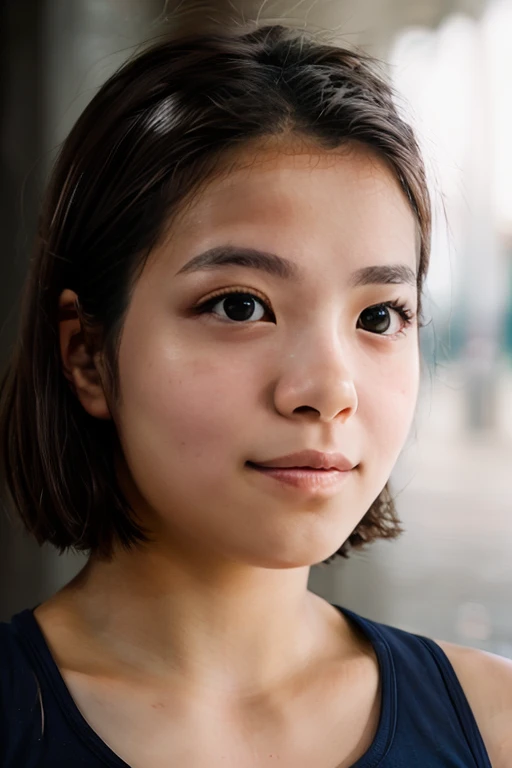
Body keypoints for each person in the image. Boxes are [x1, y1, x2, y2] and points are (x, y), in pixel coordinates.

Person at [0, 23, 510, 768]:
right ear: (87, 354)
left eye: (378, 316)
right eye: (240, 306)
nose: (330, 390)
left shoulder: (494, 725)